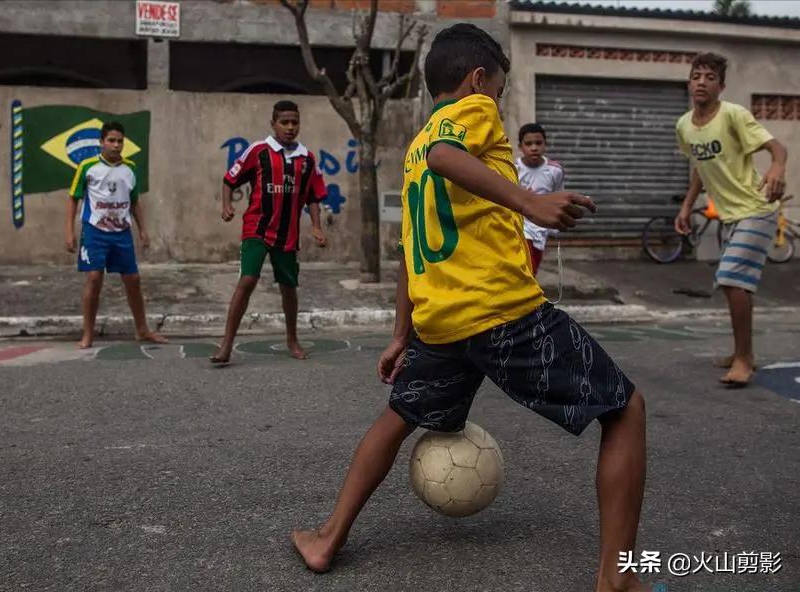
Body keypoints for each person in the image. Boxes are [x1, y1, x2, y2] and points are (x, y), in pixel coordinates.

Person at [291, 24, 648, 592]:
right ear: (478, 79)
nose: (498, 104)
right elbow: (446, 154)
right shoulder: (467, 114)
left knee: (398, 416)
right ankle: (619, 577)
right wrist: (530, 199)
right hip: (501, 311)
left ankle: (327, 537)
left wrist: (400, 333)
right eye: (500, 91)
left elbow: (410, 247)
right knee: (626, 410)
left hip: (441, 322)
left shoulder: (411, 150)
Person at [674, 52, 788, 387]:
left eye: (710, 77)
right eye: (697, 76)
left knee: (730, 279)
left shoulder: (733, 115)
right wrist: (686, 207)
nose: (701, 82)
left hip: (758, 208)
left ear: (720, 86)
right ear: (689, 81)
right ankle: (742, 351)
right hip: (730, 215)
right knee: (736, 284)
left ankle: (743, 359)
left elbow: (778, 148)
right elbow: (699, 167)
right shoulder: (684, 125)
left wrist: (777, 169)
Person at [210, 100, 328, 365]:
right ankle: (226, 345)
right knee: (247, 281)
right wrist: (227, 205)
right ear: (273, 124)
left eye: (294, 122)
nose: (289, 127)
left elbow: (312, 196)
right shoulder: (259, 150)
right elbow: (230, 179)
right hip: (257, 227)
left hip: (287, 234)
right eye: (284, 122)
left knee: (288, 287)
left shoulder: (306, 158)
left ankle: (292, 339)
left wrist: (317, 226)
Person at [65, 121, 167, 349]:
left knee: (133, 280)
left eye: (120, 141)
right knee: (94, 278)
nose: (116, 145)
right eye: (111, 140)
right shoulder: (87, 167)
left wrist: (142, 230)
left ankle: (142, 330)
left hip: (121, 233)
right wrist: (69, 231)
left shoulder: (129, 168)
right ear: (101, 142)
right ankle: (88, 334)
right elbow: (73, 198)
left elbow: (135, 201)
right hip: (94, 232)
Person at [516, 122, 565, 273]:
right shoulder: (514, 169)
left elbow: (558, 195)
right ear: (520, 147)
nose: (534, 148)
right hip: (519, 229)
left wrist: (556, 223)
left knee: (531, 272)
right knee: (523, 270)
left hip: (540, 231)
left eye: (538, 143)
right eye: (528, 144)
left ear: (545, 144)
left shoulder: (554, 170)